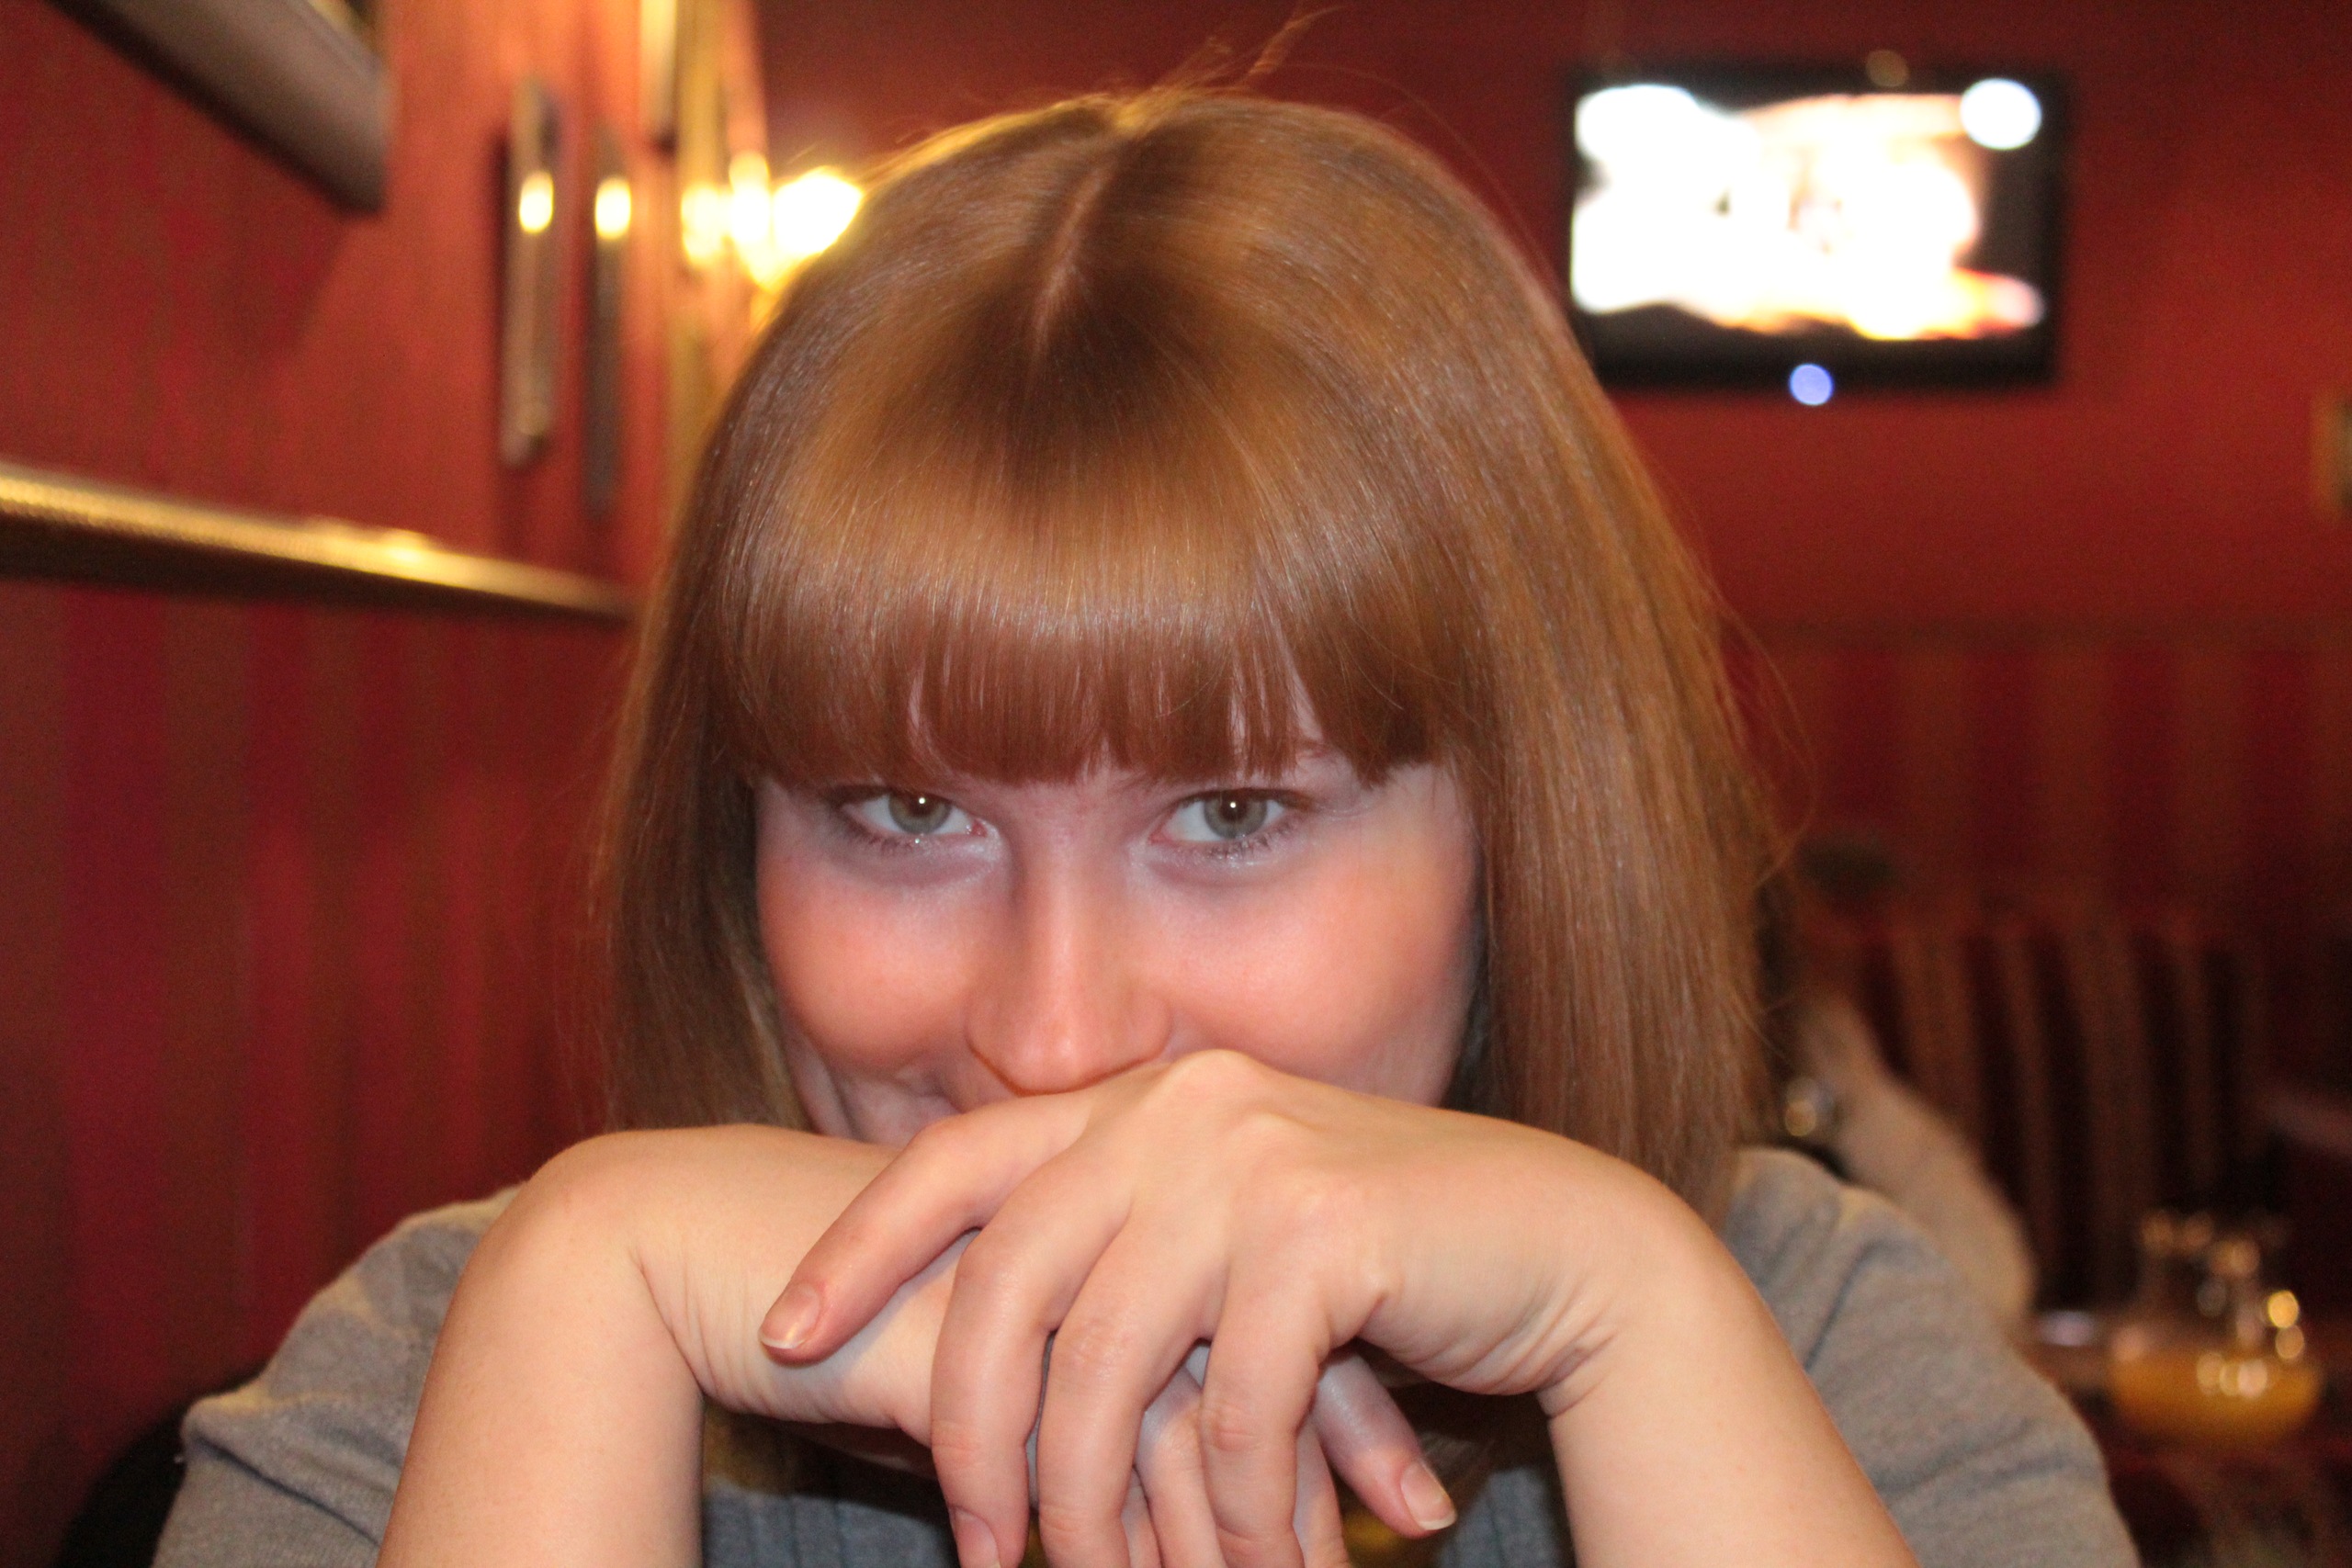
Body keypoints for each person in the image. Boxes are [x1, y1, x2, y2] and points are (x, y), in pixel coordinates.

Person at [156, 86, 2134, 1568]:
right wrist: (584, 1287)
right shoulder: (453, 1377)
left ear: (1525, 842)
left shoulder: (1812, 1351)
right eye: (904, 808)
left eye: (1232, 810)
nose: (1056, 1037)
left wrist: (1633, 1314)